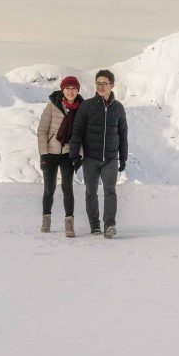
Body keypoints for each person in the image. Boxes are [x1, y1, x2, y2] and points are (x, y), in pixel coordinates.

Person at [68, 69, 129, 238]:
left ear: (112, 85)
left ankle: (109, 225)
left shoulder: (118, 108)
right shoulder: (87, 106)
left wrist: (123, 158)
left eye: (104, 83)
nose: (101, 86)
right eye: (98, 83)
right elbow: (77, 131)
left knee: (110, 191)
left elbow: (123, 134)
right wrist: (75, 155)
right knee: (91, 192)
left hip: (110, 159)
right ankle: (94, 226)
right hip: (90, 158)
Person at [36, 76, 85, 237]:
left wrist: (79, 155)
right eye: (68, 88)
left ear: (78, 90)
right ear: (62, 90)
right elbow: (42, 131)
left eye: (73, 88)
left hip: (68, 153)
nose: (70, 91)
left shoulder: (82, 109)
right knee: (49, 188)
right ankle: (46, 219)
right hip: (50, 152)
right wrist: (43, 153)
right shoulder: (51, 107)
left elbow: (83, 136)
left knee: (67, 187)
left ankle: (69, 224)